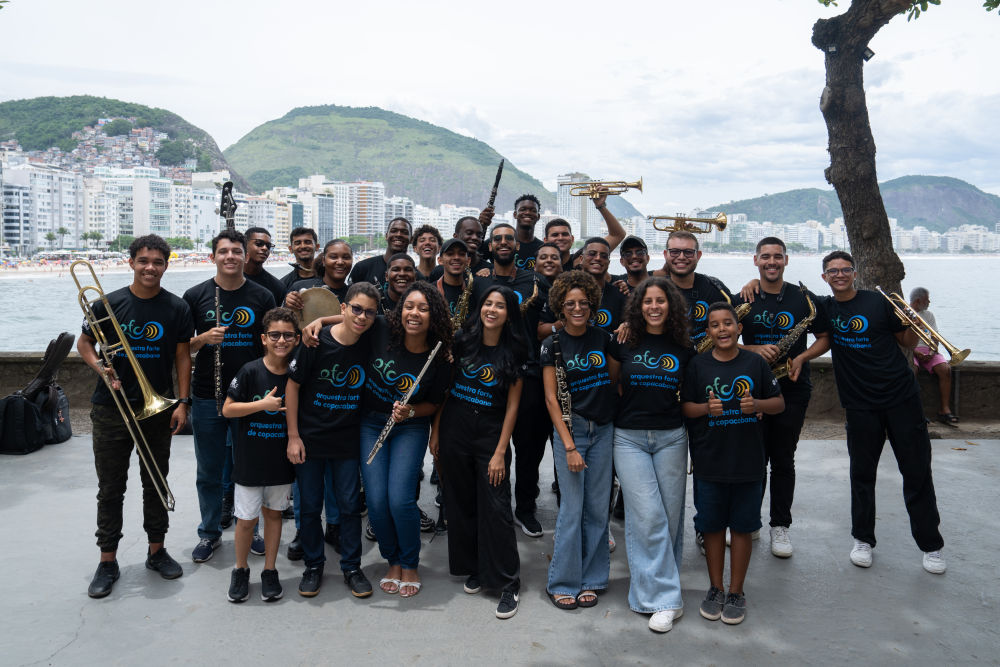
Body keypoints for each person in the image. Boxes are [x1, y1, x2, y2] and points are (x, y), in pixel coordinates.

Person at [816, 251, 946, 574]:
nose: (840, 275)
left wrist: (914, 322)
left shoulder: (878, 302)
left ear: (854, 273)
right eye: (833, 271)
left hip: (902, 398)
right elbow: (790, 300)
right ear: (825, 277)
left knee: (917, 472)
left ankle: (931, 545)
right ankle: (863, 539)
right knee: (861, 474)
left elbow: (906, 341)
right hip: (859, 404)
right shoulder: (825, 308)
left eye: (845, 269)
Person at [78, 235, 193, 598]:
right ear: (130, 263)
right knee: (111, 488)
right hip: (111, 408)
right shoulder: (106, 303)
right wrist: (101, 369)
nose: (150, 267)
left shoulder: (176, 307)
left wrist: (183, 402)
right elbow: (84, 343)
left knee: (156, 483)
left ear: (166, 266)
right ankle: (107, 560)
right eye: (143, 260)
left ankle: (156, 552)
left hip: (157, 409)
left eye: (157, 262)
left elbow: (183, 356)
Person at [681, 302, 784, 625]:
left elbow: (779, 403)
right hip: (709, 461)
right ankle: (716, 588)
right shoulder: (697, 365)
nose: (722, 329)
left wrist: (758, 404)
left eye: (728, 323)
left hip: (748, 461)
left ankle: (736, 591)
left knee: (742, 527)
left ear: (739, 328)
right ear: (708, 332)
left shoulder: (755, 363)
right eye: (715, 325)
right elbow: (686, 408)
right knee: (711, 526)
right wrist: (705, 409)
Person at [432, 285, 528, 619]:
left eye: (500, 306)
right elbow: (447, 389)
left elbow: (513, 407)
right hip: (455, 428)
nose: (492, 310)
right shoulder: (462, 341)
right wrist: (436, 431)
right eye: (488, 303)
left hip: (490, 433)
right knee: (461, 502)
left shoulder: (515, 350)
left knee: (496, 507)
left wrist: (501, 451)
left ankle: (508, 583)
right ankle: (474, 567)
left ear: (508, 314)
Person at [183, 229, 275, 564]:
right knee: (208, 470)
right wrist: (203, 339)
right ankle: (209, 533)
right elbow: (182, 348)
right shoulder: (195, 295)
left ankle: (250, 529)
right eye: (223, 252)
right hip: (208, 395)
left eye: (236, 251)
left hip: (250, 397)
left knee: (249, 469)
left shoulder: (263, 296)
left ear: (245, 256)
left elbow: (272, 344)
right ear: (213, 257)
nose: (230, 257)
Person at [737, 237, 830, 558]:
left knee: (783, 460)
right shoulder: (744, 297)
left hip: (793, 387)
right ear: (756, 260)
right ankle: (750, 521)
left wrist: (802, 358)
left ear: (786, 260)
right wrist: (752, 349)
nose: (771, 262)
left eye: (777, 256)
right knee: (753, 459)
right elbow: (720, 337)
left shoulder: (803, 298)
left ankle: (780, 526)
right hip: (752, 389)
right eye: (765, 257)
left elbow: (824, 337)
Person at [285, 282, 379, 598]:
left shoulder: (370, 340)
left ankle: (351, 567)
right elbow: (293, 386)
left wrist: (322, 318)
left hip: (347, 441)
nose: (362, 317)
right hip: (310, 438)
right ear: (343, 308)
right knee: (310, 507)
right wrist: (293, 436)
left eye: (369, 312)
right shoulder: (315, 342)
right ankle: (314, 566)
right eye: (356, 309)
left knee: (350, 506)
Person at [361, 282, 452, 597]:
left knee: (399, 499)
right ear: (400, 311)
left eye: (423, 308)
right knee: (376, 501)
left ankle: (410, 563)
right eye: (409, 306)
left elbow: (435, 403)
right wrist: (319, 321)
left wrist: (411, 411)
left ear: (433, 315)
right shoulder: (382, 328)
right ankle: (393, 560)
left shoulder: (440, 355)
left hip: (410, 427)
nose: (415, 313)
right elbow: (351, 319)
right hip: (371, 424)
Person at [613, 277, 692, 633]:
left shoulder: (684, 346)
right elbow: (612, 385)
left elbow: (692, 392)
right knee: (648, 517)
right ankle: (664, 600)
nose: (654, 306)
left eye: (661, 300)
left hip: (671, 437)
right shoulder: (624, 340)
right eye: (648, 301)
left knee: (669, 519)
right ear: (638, 306)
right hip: (629, 438)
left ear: (670, 305)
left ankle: (659, 589)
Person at [540, 270, 622, 611]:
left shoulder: (604, 339)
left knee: (597, 510)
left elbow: (612, 381)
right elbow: (551, 399)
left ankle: (593, 578)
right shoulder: (552, 344)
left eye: (583, 303)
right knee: (572, 511)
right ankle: (562, 582)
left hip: (602, 429)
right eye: (570, 303)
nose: (577, 309)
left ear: (592, 306)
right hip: (571, 432)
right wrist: (570, 446)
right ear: (560, 306)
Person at [474, 223, 548, 537]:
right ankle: (495, 505)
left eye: (509, 238)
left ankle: (525, 508)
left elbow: (550, 318)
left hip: (528, 373)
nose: (503, 242)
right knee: (492, 445)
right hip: (490, 376)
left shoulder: (537, 281)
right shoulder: (478, 281)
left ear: (518, 246)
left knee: (529, 449)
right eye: (497, 239)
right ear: (490, 246)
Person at [222, 307, 299, 602]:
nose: (281, 340)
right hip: (249, 461)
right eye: (274, 335)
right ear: (264, 338)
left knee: (274, 516)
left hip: (281, 461)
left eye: (288, 335)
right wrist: (261, 405)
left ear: (297, 339)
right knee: (245, 520)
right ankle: (240, 569)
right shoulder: (250, 370)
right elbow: (228, 409)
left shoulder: (297, 373)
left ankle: (270, 570)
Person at [654, 230, 734, 347]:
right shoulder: (654, 290)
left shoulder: (715, 288)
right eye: (674, 252)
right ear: (666, 255)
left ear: (698, 255)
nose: (681, 257)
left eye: (688, 252)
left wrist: (754, 283)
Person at [909, 287, 958, 425]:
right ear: (918, 301)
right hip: (911, 350)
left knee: (945, 369)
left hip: (928, 349)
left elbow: (935, 336)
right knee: (912, 370)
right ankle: (914, 411)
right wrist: (915, 352)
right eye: (927, 299)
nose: (929, 302)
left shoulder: (929, 315)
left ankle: (944, 410)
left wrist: (931, 352)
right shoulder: (905, 313)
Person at [479, 194, 545, 270]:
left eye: (533, 210)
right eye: (523, 209)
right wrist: (481, 226)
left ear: (538, 216)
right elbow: (475, 260)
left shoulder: (542, 248)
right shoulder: (498, 242)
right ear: (515, 214)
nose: (527, 213)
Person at [350, 217, 412, 288]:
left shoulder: (415, 275)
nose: (398, 235)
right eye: (394, 231)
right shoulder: (362, 268)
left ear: (411, 239)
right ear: (386, 236)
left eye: (404, 232)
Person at [243, 227, 286, 306]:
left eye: (268, 246)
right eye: (259, 244)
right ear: (244, 245)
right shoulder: (229, 280)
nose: (265, 248)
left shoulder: (277, 287)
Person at [279, 227, 318, 291]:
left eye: (308, 242)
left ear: (317, 247)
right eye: (297, 243)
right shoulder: (283, 285)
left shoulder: (329, 279)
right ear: (290, 249)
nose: (303, 246)